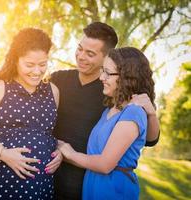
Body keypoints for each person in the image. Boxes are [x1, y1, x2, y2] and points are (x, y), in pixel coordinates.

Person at [48, 22, 160, 199]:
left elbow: (149, 139)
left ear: (107, 58)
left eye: (90, 53)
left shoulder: (113, 94)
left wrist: (151, 113)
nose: (81, 56)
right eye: (80, 49)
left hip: (84, 181)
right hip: (50, 175)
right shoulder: (58, 79)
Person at [0, 28, 60, 200]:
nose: (36, 71)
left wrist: (60, 153)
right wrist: (4, 155)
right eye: (29, 65)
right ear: (15, 60)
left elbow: (50, 135)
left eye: (42, 64)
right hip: (1, 182)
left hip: (41, 186)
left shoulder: (53, 91)